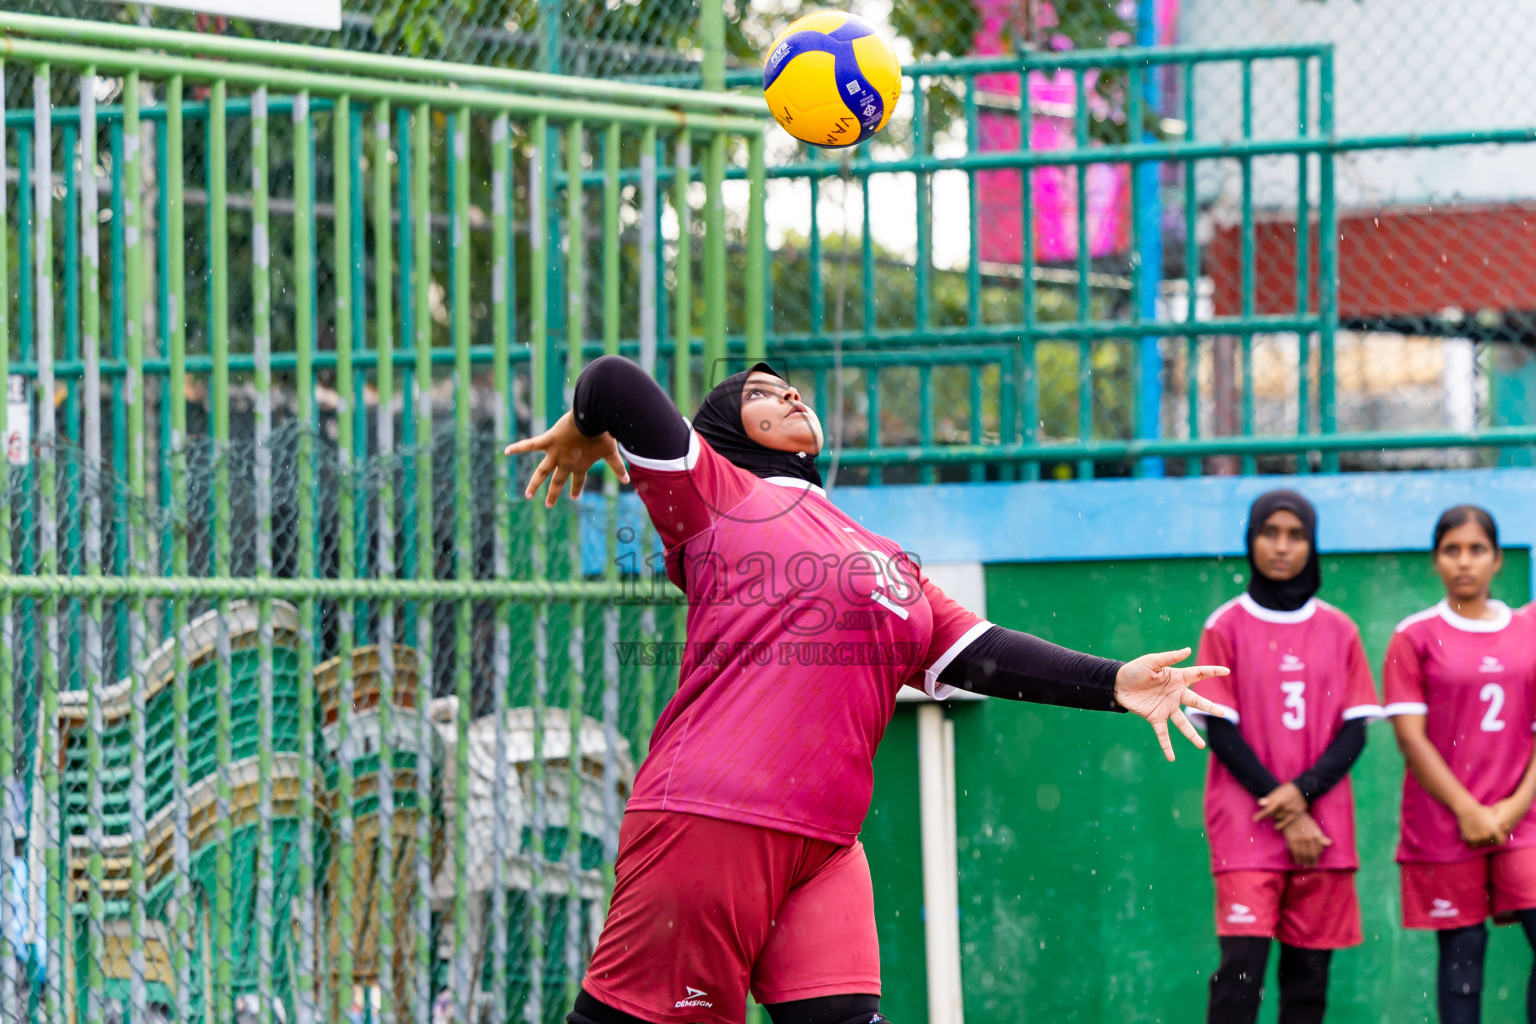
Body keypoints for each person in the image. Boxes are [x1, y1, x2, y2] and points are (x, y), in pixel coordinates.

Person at [504, 355, 1228, 1024]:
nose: (788, 392)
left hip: (826, 848)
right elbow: (613, 383)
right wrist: (581, 427)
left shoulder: (878, 553)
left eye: (788, 386)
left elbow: (982, 653)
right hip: (713, 820)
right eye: (758, 393)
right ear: (720, 431)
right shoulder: (712, 490)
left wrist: (1114, 683)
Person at [1193, 491, 1381, 1024]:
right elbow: (1221, 730)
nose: (1281, 547)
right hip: (1247, 827)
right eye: (1269, 533)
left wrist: (1302, 796)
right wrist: (1290, 807)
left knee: (1308, 984)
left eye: (1295, 535)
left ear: (1312, 543)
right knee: (1240, 977)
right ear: (1250, 540)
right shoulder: (1224, 626)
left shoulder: (1340, 628)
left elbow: (1355, 730)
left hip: (1323, 834)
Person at [1383, 505, 1536, 1024]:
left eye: (1477, 549)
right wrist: (1469, 810)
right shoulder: (1415, 635)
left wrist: (1515, 806)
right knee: (1462, 962)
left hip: (1525, 821)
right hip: (1445, 823)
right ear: (1435, 561)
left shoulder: (1527, 630)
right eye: (1452, 550)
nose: (1464, 561)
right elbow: (1411, 739)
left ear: (1497, 560)